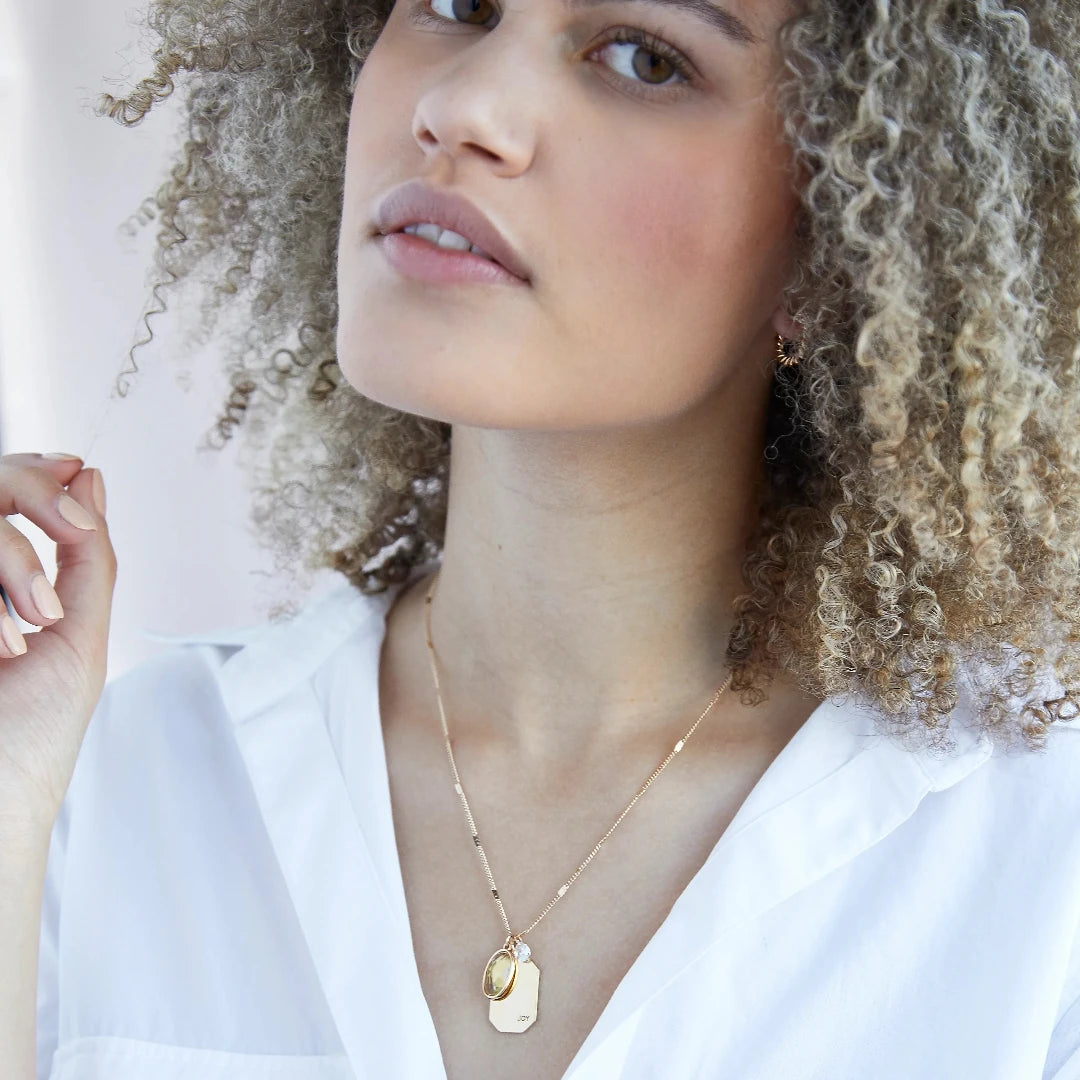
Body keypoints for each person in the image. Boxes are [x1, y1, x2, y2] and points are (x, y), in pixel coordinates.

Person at [2, 0, 1080, 1077]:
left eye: (643, 58)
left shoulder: (1040, 872)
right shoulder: (96, 785)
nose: (460, 106)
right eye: (455, 5)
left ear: (841, 240)